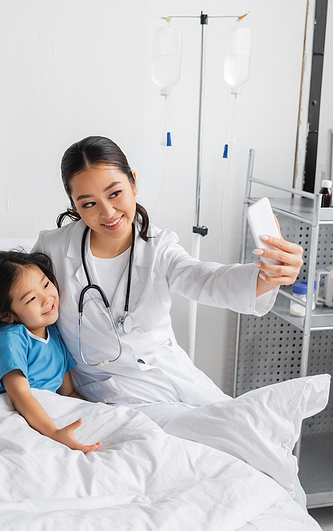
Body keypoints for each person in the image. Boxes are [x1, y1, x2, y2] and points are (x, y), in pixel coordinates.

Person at [32, 135, 304, 428]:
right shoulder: (53, 250)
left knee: (250, 429)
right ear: (74, 203)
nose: (107, 213)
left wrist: (266, 276)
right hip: (105, 393)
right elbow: (25, 317)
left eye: (115, 194)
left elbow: (205, 279)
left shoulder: (159, 248)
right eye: (88, 204)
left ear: (133, 183)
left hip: (172, 378)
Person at [0, 250, 101, 454]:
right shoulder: (8, 339)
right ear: (6, 315)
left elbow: (68, 393)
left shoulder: (56, 336)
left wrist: (97, 414)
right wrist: (55, 434)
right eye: (31, 299)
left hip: (38, 410)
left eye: (46, 284)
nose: (46, 298)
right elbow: (20, 394)